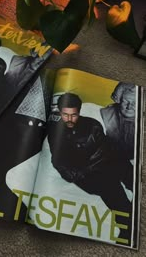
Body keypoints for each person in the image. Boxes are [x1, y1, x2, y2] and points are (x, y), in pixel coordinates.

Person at [48, 92, 132, 242]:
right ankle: (127, 230)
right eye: (65, 114)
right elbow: (58, 161)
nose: (69, 119)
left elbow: (106, 148)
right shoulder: (55, 132)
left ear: (79, 112)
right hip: (87, 173)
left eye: (73, 115)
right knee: (113, 191)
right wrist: (77, 174)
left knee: (127, 168)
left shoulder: (92, 125)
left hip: (104, 161)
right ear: (60, 112)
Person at [100, 82, 136, 160]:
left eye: (135, 104)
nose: (129, 107)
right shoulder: (106, 115)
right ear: (119, 100)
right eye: (125, 101)